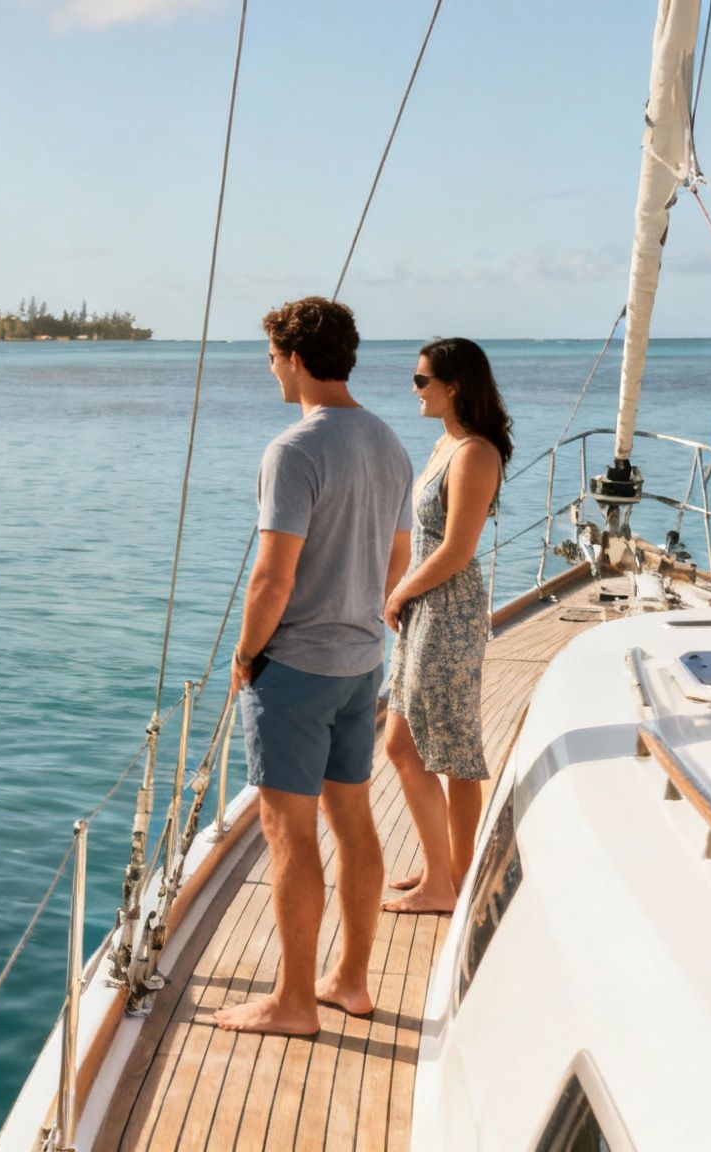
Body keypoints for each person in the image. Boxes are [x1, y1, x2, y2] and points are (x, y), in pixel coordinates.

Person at [215, 296, 413, 1037]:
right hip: (362, 662)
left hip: (296, 667)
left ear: (295, 358)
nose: (270, 370)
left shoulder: (293, 451)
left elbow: (272, 577)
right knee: (353, 821)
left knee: (289, 835)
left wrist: (245, 655)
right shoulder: (389, 441)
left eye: (271, 357)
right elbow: (398, 558)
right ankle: (351, 983)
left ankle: (294, 1001)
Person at [379, 337, 511, 915]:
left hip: (448, 608)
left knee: (446, 749)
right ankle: (446, 874)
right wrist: (403, 593)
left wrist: (401, 591)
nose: (415, 388)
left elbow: (458, 548)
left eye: (421, 379)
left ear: (453, 385)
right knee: (404, 742)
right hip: (426, 607)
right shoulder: (445, 444)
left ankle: (445, 880)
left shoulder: (476, 454)